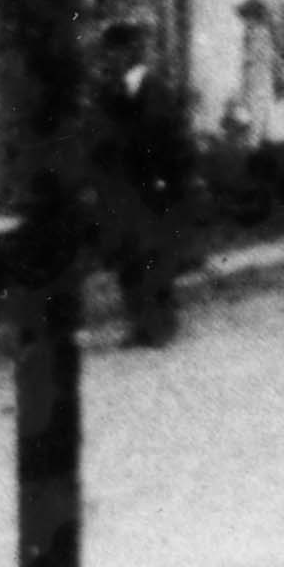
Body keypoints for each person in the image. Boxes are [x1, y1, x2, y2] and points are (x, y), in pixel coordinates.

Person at [89, 20, 196, 349]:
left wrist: (172, 180)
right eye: (108, 53)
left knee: (156, 257)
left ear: (133, 53)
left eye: (116, 52)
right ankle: (139, 323)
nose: (110, 60)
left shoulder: (157, 90)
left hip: (155, 187)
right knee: (129, 257)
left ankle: (161, 324)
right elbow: (100, 138)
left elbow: (175, 140)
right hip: (123, 190)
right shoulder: (109, 93)